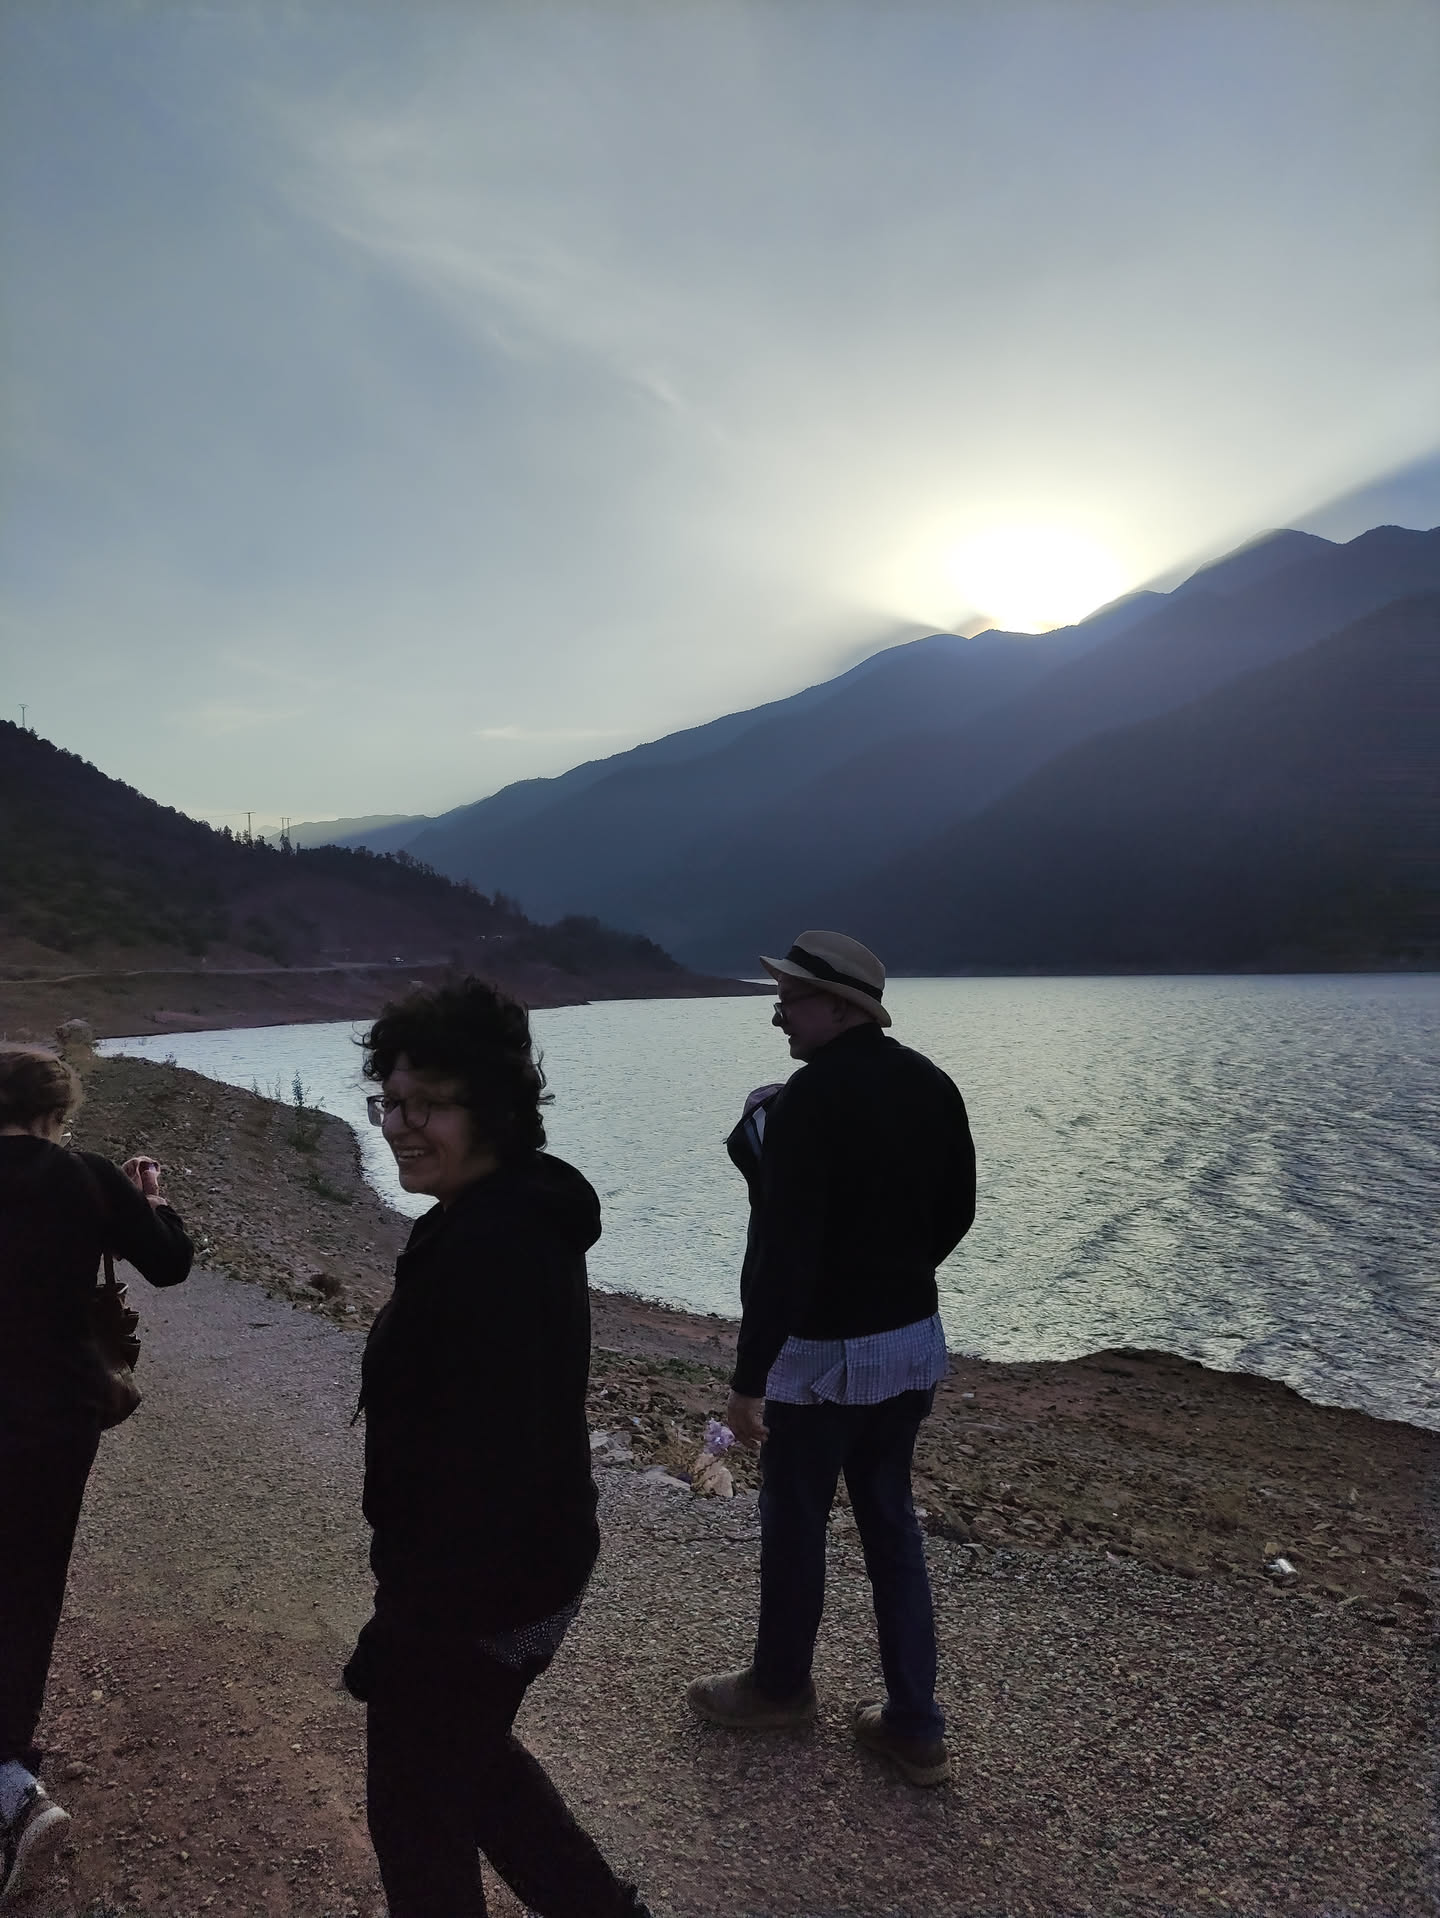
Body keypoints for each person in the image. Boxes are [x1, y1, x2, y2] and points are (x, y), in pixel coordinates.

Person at [344, 977, 653, 1918]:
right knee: (473, 1767)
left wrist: (409, 1629)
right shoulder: (497, 1214)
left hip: (478, 1595)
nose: (399, 1126)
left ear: (495, 1113)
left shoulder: (494, 1249)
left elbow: (486, 1474)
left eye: (428, 1105)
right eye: (390, 1101)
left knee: (417, 1815)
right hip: (520, 1571)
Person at [688, 931, 975, 1788]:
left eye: (791, 999)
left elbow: (783, 1251)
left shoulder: (806, 1102)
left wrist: (748, 1382)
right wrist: (897, 1276)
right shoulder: (932, 1082)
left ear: (842, 1008)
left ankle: (780, 1688)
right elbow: (957, 1210)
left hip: (819, 1357)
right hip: (909, 1343)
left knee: (795, 1517)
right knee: (890, 1520)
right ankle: (915, 1724)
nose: (778, 1014)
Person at [0, 1044, 192, 1908]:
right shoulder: (86, 1178)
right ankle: (10, 1779)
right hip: (54, 1419)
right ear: (56, 1112)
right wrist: (151, 1201)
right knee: (27, 1584)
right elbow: (170, 1263)